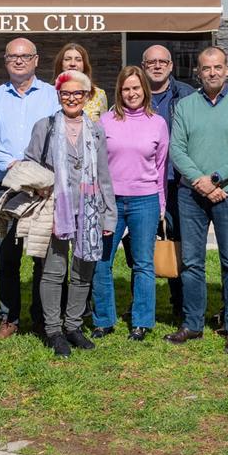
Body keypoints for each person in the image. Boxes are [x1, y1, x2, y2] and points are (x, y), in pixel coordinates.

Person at [17, 70, 117, 357]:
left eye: (78, 93)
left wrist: (107, 214)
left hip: (88, 209)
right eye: (66, 93)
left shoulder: (96, 130)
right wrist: (40, 187)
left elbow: (104, 176)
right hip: (54, 209)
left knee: (83, 269)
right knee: (53, 271)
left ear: (87, 97)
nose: (72, 98)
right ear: (58, 96)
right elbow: (30, 164)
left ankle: (73, 325)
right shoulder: (45, 126)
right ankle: (53, 330)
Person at [169, 46, 228, 351]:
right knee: (192, 262)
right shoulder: (185, 106)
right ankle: (193, 324)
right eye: (207, 68)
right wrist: (200, 182)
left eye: (219, 67)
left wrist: (216, 178)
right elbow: (176, 149)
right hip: (191, 194)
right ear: (198, 72)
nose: (213, 72)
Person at [0, 38, 61, 338]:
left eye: (25, 56)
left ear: (36, 60)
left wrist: (39, 178)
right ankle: (9, 317)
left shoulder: (53, 97)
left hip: (44, 191)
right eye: (13, 56)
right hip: (6, 190)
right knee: (6, 258)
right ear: (5, 61)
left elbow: (59, 137)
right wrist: (19, 169)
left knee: (43, 257)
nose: (19, 60)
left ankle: (42, 317)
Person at [92, 66, 169, 341]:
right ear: (119, 91)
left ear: (144, 90)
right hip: (110, 201)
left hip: (145, 201)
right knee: (102, 261)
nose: (131, 93)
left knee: (143, 263)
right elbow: (97, 165)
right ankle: (103, 320)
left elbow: (161, 168)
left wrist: (161, 204)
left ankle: (141, 321)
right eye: (126, 89)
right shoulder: (105, 121)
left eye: (136, 88)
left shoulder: (157, 123)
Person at [141, 45, 195, 325]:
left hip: (177, 182)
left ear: (172, 66)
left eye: (163, 62)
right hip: (142, 183)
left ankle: (181, 303)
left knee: (177, 243)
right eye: (152, 62)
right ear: (144, 65)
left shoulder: (185, 95)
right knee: (139, 245)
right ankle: (143, 304)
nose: (158, 66)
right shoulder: (134, 94)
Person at [53, 43, 108, 119]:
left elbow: (102, 127)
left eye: (78, 60)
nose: (72, 64)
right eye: (67, 59)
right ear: (61, 64)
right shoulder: (49, 93)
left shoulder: (99, 95)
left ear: (84, 65)